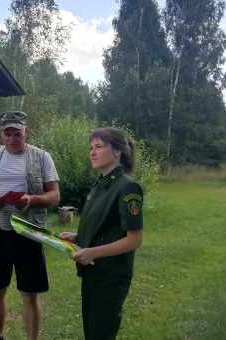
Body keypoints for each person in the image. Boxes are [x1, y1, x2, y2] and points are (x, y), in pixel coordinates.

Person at [0, 111, 60, 340]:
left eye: (17, 133)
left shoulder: (42, 157)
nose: (13, 138)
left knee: (30, 294)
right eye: (8, 133)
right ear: (1, 134)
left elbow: (55, 196)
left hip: (29, 231)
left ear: (27, 132)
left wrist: (31, 200)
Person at [59, 127, 144, 340]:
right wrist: (78, 238)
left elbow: (134, 240)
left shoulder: (128, 187)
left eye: (99, 146)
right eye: (91, 147)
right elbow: (105, 227)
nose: (92, 152)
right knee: (92, 331)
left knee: (101, 333)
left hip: (111, 276)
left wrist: (93, 252)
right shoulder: (100, 185)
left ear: (117, 151)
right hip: (93, 273)